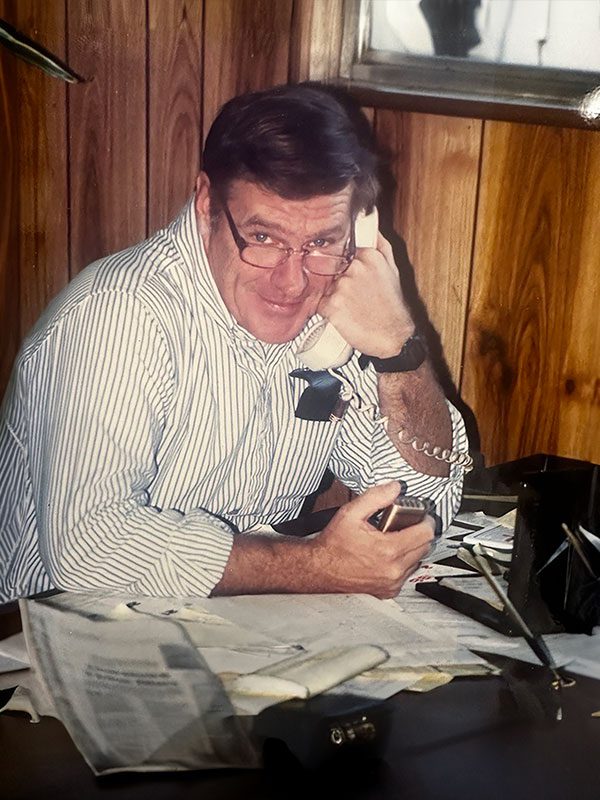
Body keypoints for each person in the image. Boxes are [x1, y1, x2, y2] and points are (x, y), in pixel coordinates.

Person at [0, 83, 469, 604]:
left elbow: (428, 501)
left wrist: (398, 348)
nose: (292, 284)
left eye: (320, 242)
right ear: (206, 203)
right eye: (263, 238)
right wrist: (315, 566)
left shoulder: (336, 300)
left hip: (237, 626)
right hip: (54, 638)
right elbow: (88, 549)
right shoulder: (116, 314)